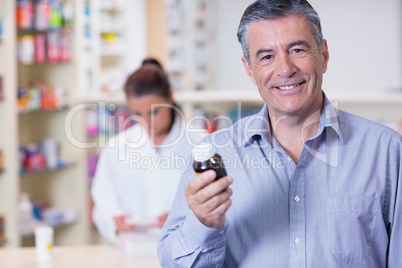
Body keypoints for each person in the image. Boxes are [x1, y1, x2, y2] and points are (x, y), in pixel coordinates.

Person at [158, 0, 402, 267]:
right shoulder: (217, 155)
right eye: (266, 57)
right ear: (249, 69)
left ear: (323, 55)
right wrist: (203, 224)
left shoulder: (386, 151)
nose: (285, 69)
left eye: (297, 49)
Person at [91, 58, 207, 253]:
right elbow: (102, 204)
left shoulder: (201, 144)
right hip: (133, 253)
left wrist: (182, 218)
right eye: (136, 113)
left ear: (170, 98)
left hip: (188, 253)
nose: (145, 122)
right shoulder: (117, 148)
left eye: (154, 112)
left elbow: (217, 202)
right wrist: (114, 222)